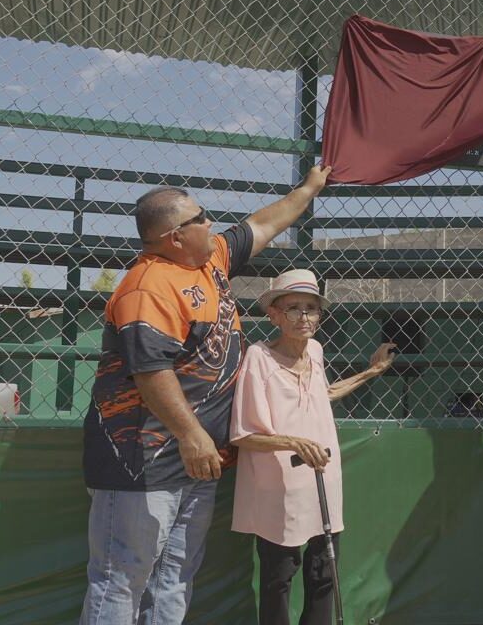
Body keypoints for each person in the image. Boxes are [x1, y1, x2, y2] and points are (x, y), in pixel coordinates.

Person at [80, 167, 331, 625]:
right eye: (201, 217)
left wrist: (311, 187)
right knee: (123, 576)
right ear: (175, 236)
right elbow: (150, 371)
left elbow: (263, 224)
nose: (211, 224)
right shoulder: (147, 286)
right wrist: (192, 436)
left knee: (175, 575)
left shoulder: (208, 259)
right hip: (144, 457)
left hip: (197, 457)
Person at [230, 269, 395, 625]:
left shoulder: (316, 351)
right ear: (274, 315)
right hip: (280, 487)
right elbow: (243, 434)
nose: (303, 317)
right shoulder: (259, 358)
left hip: (323, 478)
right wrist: (293, 442)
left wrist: (371, 372)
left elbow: (325, 392)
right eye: (293, 309)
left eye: (311, 308)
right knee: (279, 577)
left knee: (324, 571)